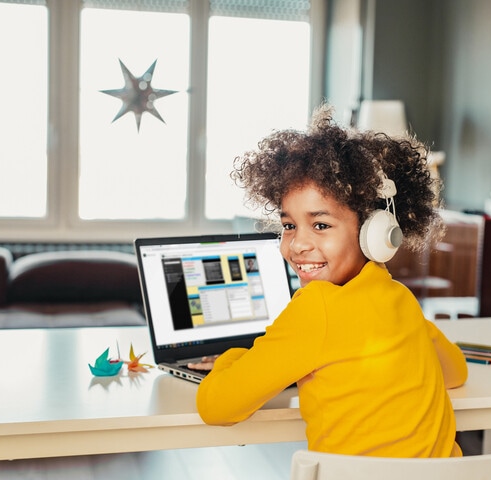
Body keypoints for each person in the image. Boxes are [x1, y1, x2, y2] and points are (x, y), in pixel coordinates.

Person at [195, 104, 468, 458]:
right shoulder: (400, 298)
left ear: (374, 230)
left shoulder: (317, 305)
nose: (297, 244)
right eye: (289, 225)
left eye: (321, 225)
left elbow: (215, 406)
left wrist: (231, 360)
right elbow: (456, 371)